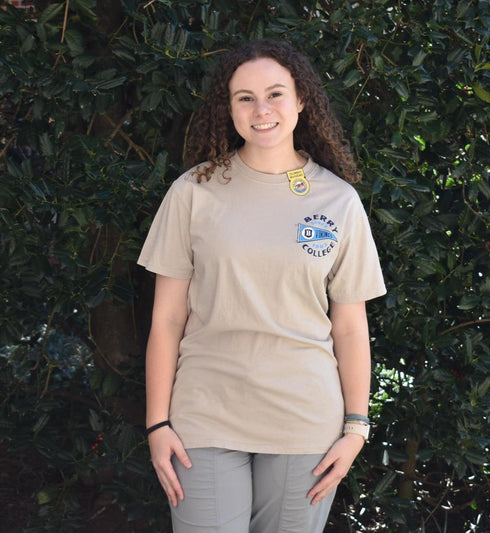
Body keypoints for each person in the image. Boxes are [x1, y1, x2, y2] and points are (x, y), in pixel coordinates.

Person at [137, 38, 386, 533]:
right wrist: (157, 424)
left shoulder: (339, 202)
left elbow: (351, 327)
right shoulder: (193, 193)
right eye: (244, 97)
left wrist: (356, 428)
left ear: (300, 101)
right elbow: (166, 319)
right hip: (205, 414)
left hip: (305, 419)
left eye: (275, 94)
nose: (262, 110)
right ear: (227, 109)